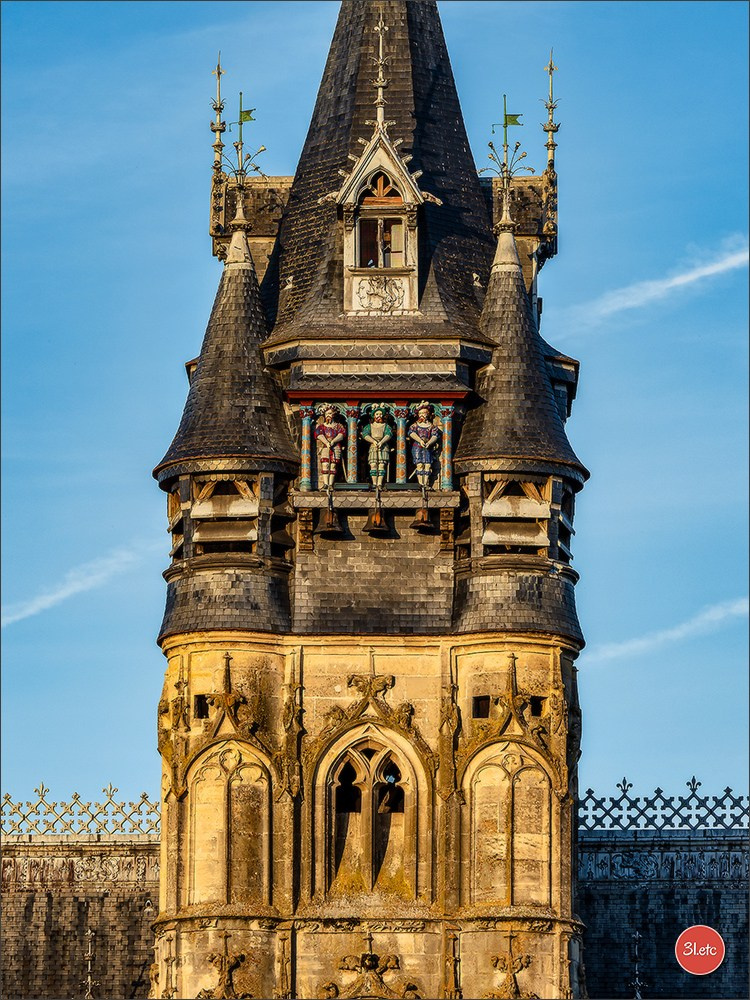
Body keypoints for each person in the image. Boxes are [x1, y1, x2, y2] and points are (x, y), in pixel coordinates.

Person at [408, 403, 441, 489]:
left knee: (427, 465)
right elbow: (411, 433)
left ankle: (425, 483)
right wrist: (420, 440)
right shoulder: (415, 425)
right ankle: (420, 483)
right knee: (419, 465)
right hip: (417, 447)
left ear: (428, 414)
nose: (422, 415)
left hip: (427, 447)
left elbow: (435, 435)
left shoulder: (431, 426)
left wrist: (429, 442)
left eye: (424, 413)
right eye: (420, 413)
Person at [314, 405, 346, 489]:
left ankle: (330, 484)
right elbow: (319, 435)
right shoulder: (321, 427)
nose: (328, 415)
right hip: (325, 447)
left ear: (333, 415)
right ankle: (325, 484)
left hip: (335, 447)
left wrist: (333, 441)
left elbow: (341, 435)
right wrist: (326, 442)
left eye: (330, 413)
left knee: (333, 465)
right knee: (325, 464)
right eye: (327, 413)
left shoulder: (338, 426)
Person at [361, 407, 393, 488]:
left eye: (381, 414)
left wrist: (382, 442)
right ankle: (374, 483)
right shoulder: (369, 426)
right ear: (374, 415)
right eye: (377, 414)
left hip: (383, 446)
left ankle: (379, 483)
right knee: (373, 464)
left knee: (381, 465)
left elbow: (388, 434)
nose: (379, 416)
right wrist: (373, 441)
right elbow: (365, 434)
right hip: (373, 446)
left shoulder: (386, 426)